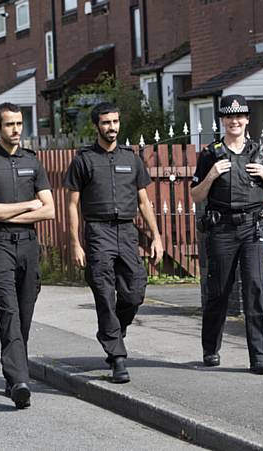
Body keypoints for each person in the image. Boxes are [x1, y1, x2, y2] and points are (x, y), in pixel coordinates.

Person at [64, 102, 163, 383]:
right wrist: (75, 243)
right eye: (106, 122)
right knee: (105, 295)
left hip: (127, 232)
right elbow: (72, 204)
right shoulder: (84, 160)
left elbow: (144, 201)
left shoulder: (131, 159)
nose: (112, 127)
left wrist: (156, 236)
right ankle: (117, 357)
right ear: (96, 125)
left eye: (116, 122)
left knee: (134, 292)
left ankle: (113, 332)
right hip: (97, 232)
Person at [0, 102, 54, 409]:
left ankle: (11, 373)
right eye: (9, 124)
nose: (16, 129)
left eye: (19, 123)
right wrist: (27, 206)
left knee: (25, 316)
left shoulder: (33, 161)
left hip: (29, 247)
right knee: (9, 313)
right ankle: (20, 381)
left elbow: (50, 209)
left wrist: (9, 212)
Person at [190, 94, 263, 375]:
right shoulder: (210, 154)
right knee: (219, 293)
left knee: (256, 289)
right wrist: (212, 175)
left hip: (254, 227)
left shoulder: (260, 152)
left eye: (239, 116)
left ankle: (259, 358)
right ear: (223, 120)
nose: (234, 121)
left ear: (247, 119)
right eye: (229, 116)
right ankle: (211, 348)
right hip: (222, 229)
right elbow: (195, 195)